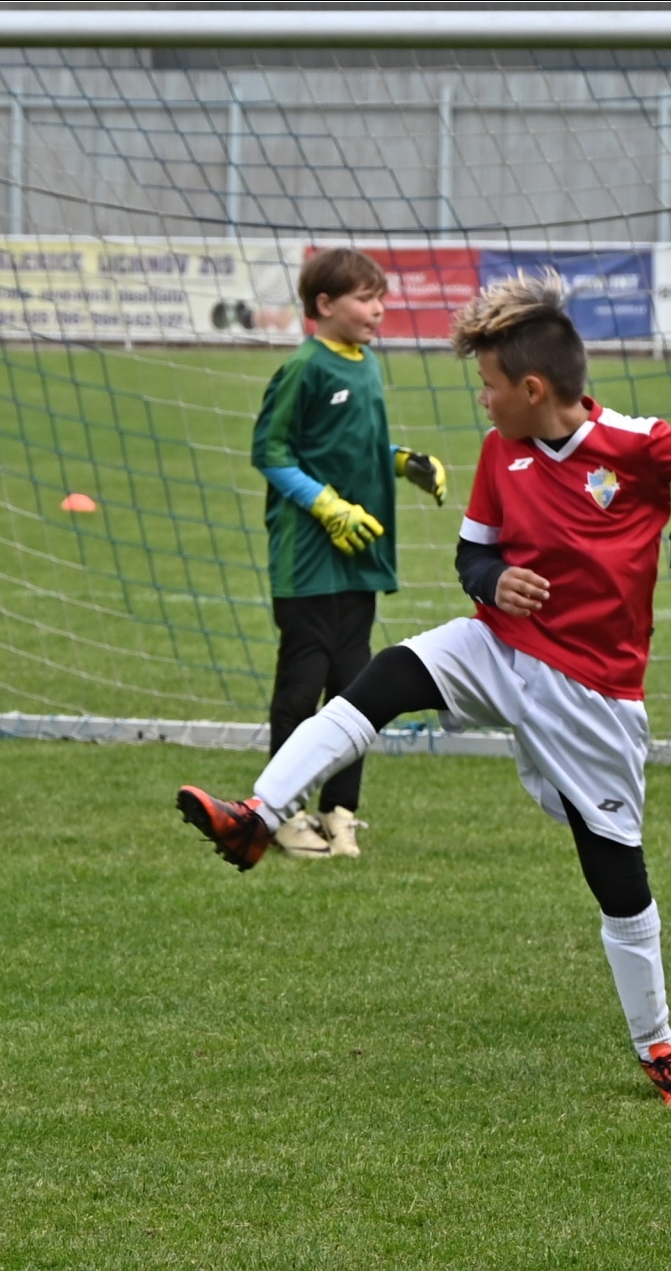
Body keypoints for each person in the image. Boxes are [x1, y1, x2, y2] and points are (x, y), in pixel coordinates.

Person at [181, 271, 671, 1104]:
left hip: (593, 693)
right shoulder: (499, 452)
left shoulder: (631, 443)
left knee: (615, 873)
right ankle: (257, 817)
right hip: (497, 645)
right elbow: (472, 555)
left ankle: (659, 1044)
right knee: (385, 676)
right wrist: (495, 583)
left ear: (533, 388)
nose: (482, 399)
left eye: (488, 384)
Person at [250, 247, 448, 859]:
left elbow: (356, 444)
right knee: (301, 687)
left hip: (361, 553)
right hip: (309, 558)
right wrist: (326, 505)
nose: (378, 309)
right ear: (325, 304)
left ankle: (340, 811)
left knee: (355, 689)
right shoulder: (303, 368)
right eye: (365, 298)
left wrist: (402, 463)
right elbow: (271, 452)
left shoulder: (367, 365)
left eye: (380, 297)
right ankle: (281, 813)